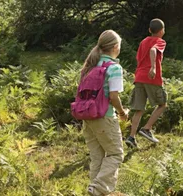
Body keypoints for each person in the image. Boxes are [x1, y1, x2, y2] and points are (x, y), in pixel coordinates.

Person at [79, 30, 128, 196]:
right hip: (104, 117)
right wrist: (122, 112)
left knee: (97, 156)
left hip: (87, 118)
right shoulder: (114, 68)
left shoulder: (90, 66)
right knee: (116, 154)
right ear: (115, 47)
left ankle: (95, 190)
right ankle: (98, 188)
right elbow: (114, 96)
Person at [125, 18, 167, 148]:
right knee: (162, 104)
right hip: (152, 78)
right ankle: (147, 128)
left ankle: (131, 137)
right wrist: (153, 67)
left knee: (139, 109)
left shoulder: (143, 42)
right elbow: (153, 50)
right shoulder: (160, 41)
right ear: (162, 31)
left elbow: (138, 58)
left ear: (149, 30)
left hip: (139, 77)